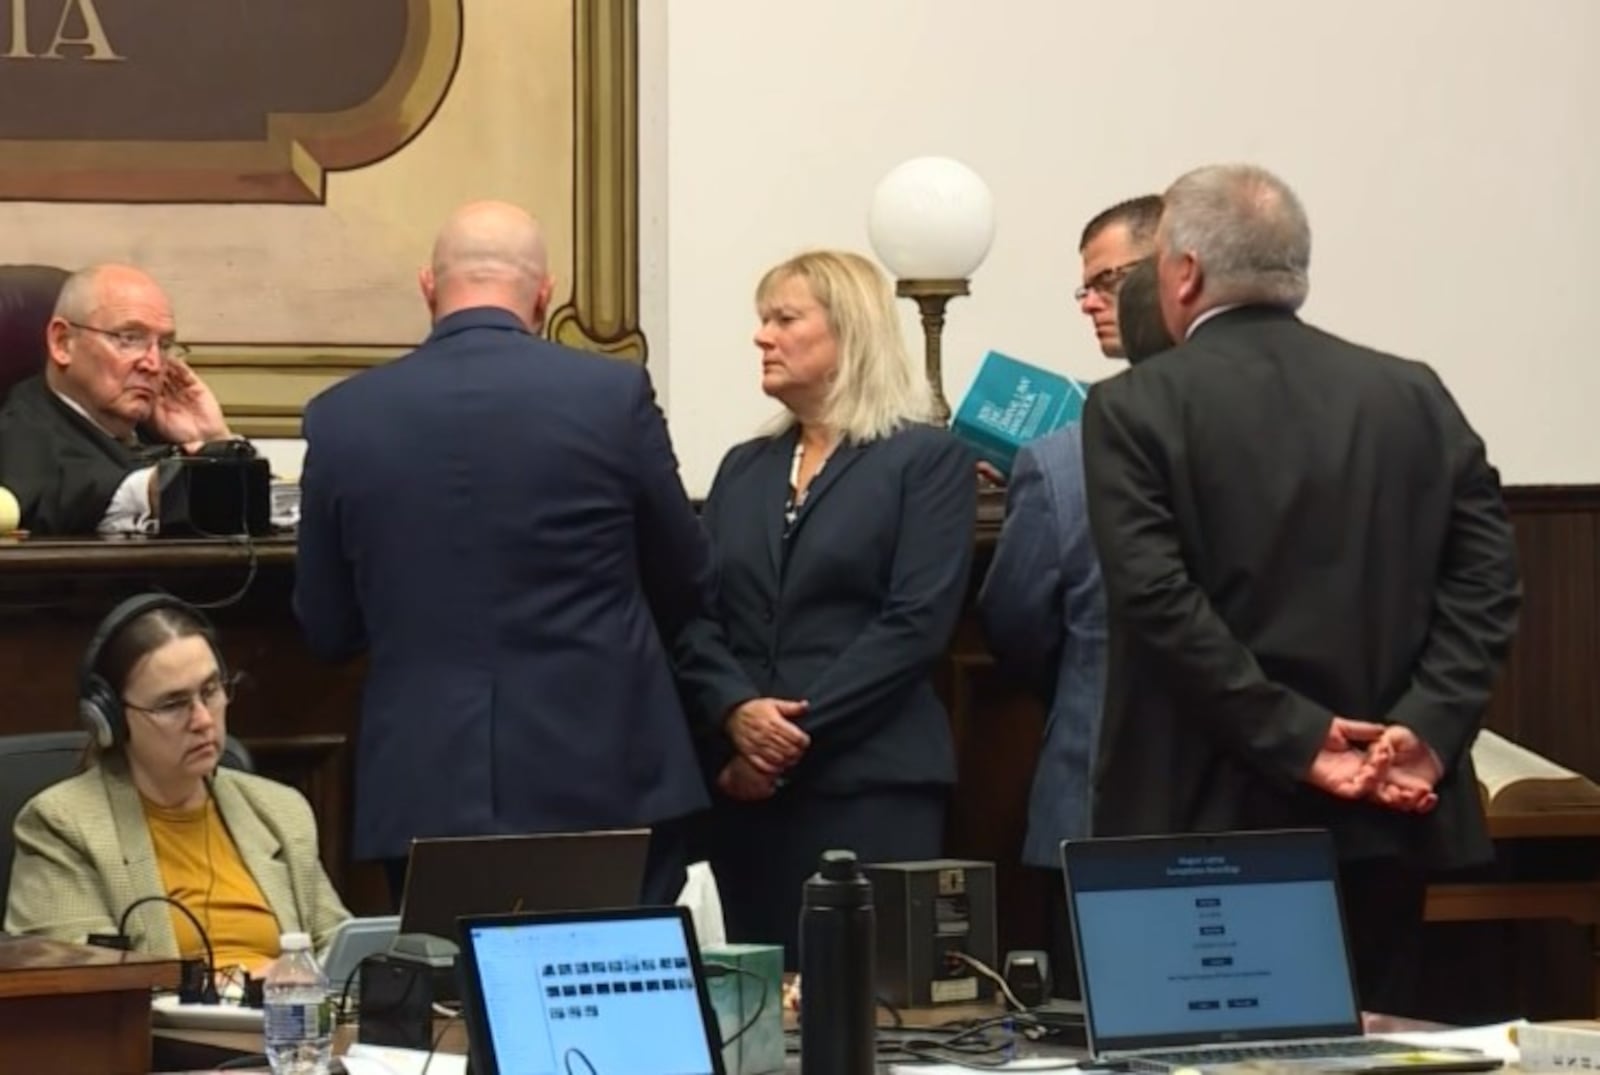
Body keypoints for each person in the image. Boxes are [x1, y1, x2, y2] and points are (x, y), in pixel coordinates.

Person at [1082, 163, 1521, 1015]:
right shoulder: (1413, 393)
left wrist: (1301, 736)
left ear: (1184, 273)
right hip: (1390, 807)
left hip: (1201, 816)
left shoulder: (1135, 407)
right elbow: (1489, 578)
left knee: (1204, 1054)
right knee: (1377, 1045)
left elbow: (1157, 601)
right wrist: (1427, 729)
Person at [293, 201, 713, 907]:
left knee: (456, 1006)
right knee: (614, 1001)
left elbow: (327, 628)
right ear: (544, 295)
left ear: (428, 285)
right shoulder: (611, 394)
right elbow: (690, 575)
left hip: (427, 783)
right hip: (608, 771)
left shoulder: (342, 416)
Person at [674, 250, 976, 967]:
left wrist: (783, 737)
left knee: (865, 1010)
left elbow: (914, 622)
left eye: (784, 319)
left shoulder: (925, 460)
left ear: (850, 333)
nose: (762, 336)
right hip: (744, 794)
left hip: (870, 784)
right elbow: (695, 613)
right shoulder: (743, 467)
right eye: (763, 319)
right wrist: (734, 715)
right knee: (760, 1012)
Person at [975, 195, 1162, 996]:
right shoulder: (1057, 452)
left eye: (1108, 281)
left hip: (1093, 796)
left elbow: (1014, 624)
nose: (1089, 300)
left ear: (1177, 273)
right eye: (1083, 286)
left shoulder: (1062, 457)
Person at [5, 594, 349, 980]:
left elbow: (342, 950)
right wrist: (240, 986)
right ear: (112, 721)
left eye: (210, 691)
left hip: (293, 1030)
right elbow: (81, 987)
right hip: (161, 1036)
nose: (202, 719)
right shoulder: (63, 825)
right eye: (173, 704)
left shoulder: (279, 810)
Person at [0, 264, 238, 536]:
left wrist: (214, 440)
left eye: (163, 345)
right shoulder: (18, 433)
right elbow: (70, 494)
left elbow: (281, 513)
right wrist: (170, 486)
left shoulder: (153, 427)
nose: (154, 363)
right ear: (63, 342)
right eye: (129, 338)